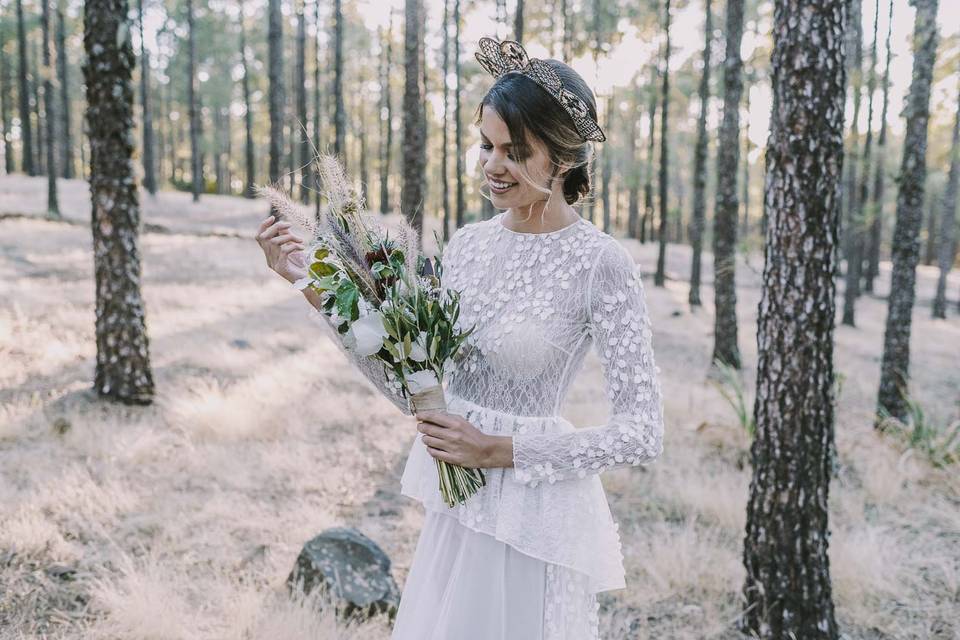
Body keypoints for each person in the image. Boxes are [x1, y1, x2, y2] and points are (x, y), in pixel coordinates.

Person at [256, 37, 665, 640]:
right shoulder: (469, 247)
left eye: (515, 151)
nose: (493, 166)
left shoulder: (600, 264)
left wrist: (503, 450)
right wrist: (312, 285)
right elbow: (416, 387)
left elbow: (641, 434)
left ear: (564, 159)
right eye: (487, 146)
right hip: (459, 515)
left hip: (534, 521)